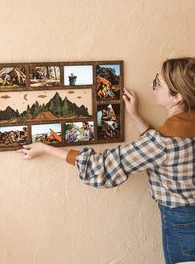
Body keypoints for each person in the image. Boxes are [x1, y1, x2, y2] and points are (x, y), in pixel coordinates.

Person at [17, 57, 195, 264]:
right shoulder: (175, 134)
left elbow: (100, 166)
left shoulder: (162, 143)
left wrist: (45, 148)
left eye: (159, 83)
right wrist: (135, 115)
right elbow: (162, 150)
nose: (153, 86)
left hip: (182, 223)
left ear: (177, 97)